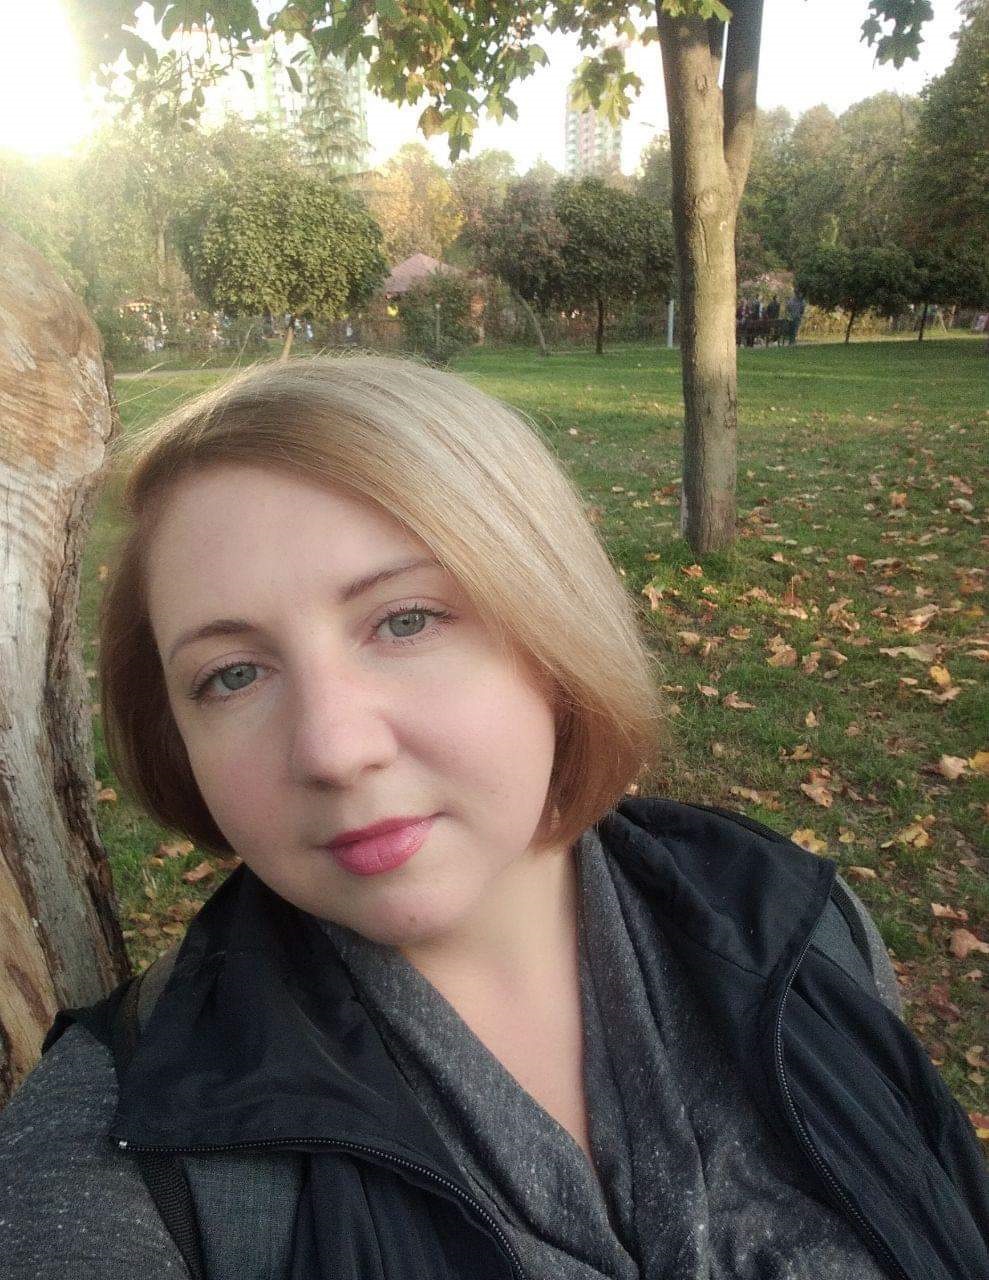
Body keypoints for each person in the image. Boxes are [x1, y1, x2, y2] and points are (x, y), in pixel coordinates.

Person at [0, 356, 986, 1280]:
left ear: (553, 633)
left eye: (406, 620)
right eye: (232, 674)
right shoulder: (115, 1164)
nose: (332, 748)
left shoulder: (800, 928)